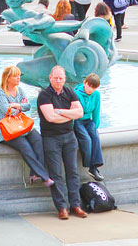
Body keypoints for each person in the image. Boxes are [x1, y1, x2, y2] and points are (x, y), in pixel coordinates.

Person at [37, 65, 87, 219]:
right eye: (56, 78)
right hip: (51, 138)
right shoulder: (44, 95)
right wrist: (69, 115)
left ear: (65, 79)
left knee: (73, 172)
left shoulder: (69, 92)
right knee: (56, 174)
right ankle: (62, 207)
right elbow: (50, 118)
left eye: (61, 78)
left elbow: (80, 113)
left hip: (69, 136)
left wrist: (59, 111)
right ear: (50, 77)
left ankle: (76, 205)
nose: (58, 81)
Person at [0, 66, 53, 187]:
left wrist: (16, 106)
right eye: (15, 76)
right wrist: (19, 107)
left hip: (19, 125)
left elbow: (28, 106)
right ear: (7, 78)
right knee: (25, 146)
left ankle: (34, 174)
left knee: (38, 139)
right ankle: (44, 177)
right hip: (3, 128)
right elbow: (6, 110)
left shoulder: (20, 90)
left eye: (19, 75)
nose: (19, 78)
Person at [73, 73, 104, 182]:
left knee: (95, 137)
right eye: (89, 86)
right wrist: (71, 129)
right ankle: (89, 164)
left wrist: (95, 127)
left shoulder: (96, 95)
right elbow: (73, 112)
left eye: (94, 87)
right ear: (84, 83)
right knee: (86, 139)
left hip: (88, 120)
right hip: (78, 120)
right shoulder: (76, 93)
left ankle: (94, 168)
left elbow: (96, 112)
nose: (91, 89)